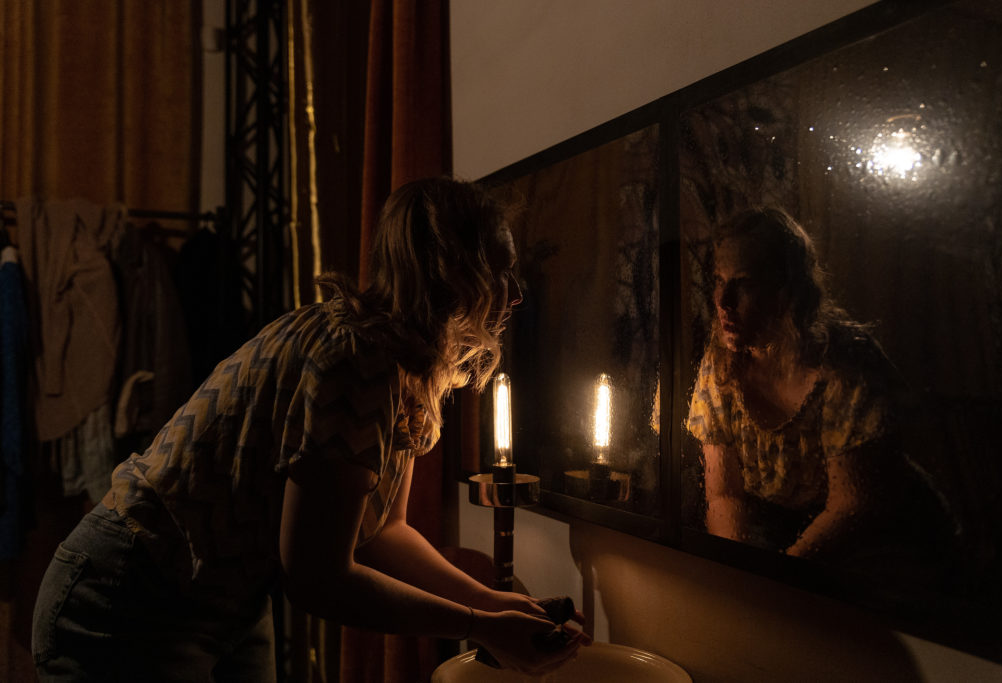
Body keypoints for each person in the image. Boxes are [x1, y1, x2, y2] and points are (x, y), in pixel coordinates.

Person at [32, 177, 589, 681]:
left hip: (222, 595)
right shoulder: (356, 360)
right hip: (131, 592)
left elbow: (383, 532)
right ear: (452, 273)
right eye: (499, 271)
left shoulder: (398, 364)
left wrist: (491, 604)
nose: (515, 294)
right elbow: (317, 579)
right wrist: (480, 626)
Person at [686, 207, 951, 573]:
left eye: (743, 283)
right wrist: (739, 569)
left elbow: (852, 504)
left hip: (880, 536)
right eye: (718, 280)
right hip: (781, 529)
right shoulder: (721, 363)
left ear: (785, 289)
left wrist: (780, 575)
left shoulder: (841, 361)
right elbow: (723, 493)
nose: (723, 301)